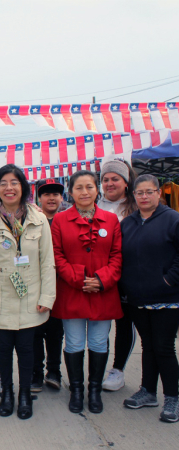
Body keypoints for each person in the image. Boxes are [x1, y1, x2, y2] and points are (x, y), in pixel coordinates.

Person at [0, 165, 56, 420]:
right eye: (2, 183)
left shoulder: (38, 218)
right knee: (3, 350)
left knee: (26, 349)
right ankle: (7, 393)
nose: (9, 188)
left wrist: (47, 297)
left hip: (30, 296)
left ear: (23, 186)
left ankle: (24, 394)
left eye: (14, 183)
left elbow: (47, 262)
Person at [51, 170, 123, 415]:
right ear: (70, 192)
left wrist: (102, 280)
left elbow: (117, 255)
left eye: (89, 187)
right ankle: (77, 390)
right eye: (78, 187)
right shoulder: (60, 221)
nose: (84, 192)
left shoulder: (111, 220)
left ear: (97, 190)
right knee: (73, 341)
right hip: (73, 290)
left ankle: (94, 390)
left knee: (98, 342)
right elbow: (56, 256)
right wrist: (78, 278)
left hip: (103, 291)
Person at [120, 175, 179, 423]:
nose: (144, 196)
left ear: (159, 193)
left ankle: (172, 397)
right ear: (133, 195)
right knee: (148, 346)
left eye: (149, 191)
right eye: (139, 192)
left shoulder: (173, 219)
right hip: (137, 297)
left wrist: (169, 280)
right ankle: (148, 391)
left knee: (164, 347)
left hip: (166, 298)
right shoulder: (128, 223)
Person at [98, 160, 138, 392]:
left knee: (124, 325)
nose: (110, 183)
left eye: (115, 179)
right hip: (100, 278)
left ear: (125, 181)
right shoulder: (94, 205)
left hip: (126, 278)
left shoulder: (134, 208)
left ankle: (118, 369)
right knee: (99, 326)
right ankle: (99, 368)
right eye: (106, 179)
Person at [31, 178, 66, 392]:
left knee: (55, 332)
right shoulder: (31, 219)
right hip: (35, 285)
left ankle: (54, 371)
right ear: (39, 198)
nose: (51, 198)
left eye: (55, 193)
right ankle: (36, 373)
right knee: (35, 332)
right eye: (46, 194)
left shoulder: (66, 220)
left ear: (61, 197)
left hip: (60, 287)